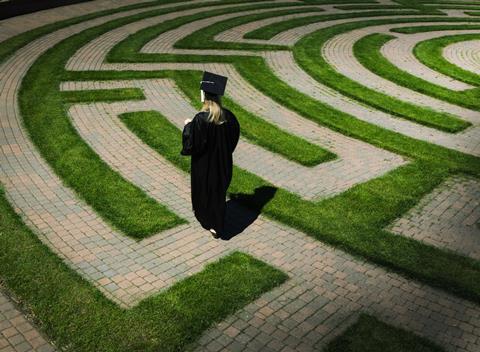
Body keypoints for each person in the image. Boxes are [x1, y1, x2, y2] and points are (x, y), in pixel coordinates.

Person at [180, 71, 240, 239]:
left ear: (204, 95)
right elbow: (233, 139)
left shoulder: (200, 119)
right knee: (218, 193)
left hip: (204, 165)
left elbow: (192, 145)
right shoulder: (229, 117)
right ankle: (217, 224)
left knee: (204, 193)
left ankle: (212, 224)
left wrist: (187, 126)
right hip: (222, 163)